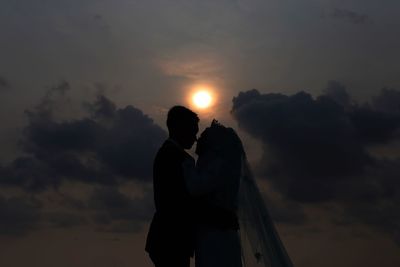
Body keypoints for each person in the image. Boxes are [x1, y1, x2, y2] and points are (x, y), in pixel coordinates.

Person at [183, 120, 294, 267]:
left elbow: (197, 187)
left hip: (216, 233)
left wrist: (186, 167)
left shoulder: (217, 166)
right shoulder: (223, 167)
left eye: (204, 136)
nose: (198, 140)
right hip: (217, 231)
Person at [145, 105, 199, 267]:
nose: (194, 138)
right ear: (178, 128)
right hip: (169, 239)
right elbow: (178, 200)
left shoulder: (173, 154)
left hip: (169, 240)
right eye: (192, 131)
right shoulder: (170, 156)